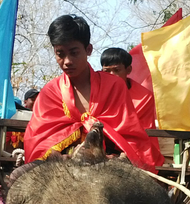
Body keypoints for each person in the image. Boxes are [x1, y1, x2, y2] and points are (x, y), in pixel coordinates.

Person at [23, 15, 164, 170]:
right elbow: (37, 141)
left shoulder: (114, 86)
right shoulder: (50, 91)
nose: (67, 61)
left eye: (74, 52)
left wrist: (111, 157)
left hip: (108, 162)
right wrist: (57, 156)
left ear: (88, 50)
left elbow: (130, 135)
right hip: (60, 166)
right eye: (60, 54)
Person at [99, 47, 157, 130]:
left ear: (128, 70)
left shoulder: (144, 97)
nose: (111, 75)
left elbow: (135, 128)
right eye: (107, 71)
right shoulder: (94, 92)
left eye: (116, 70)